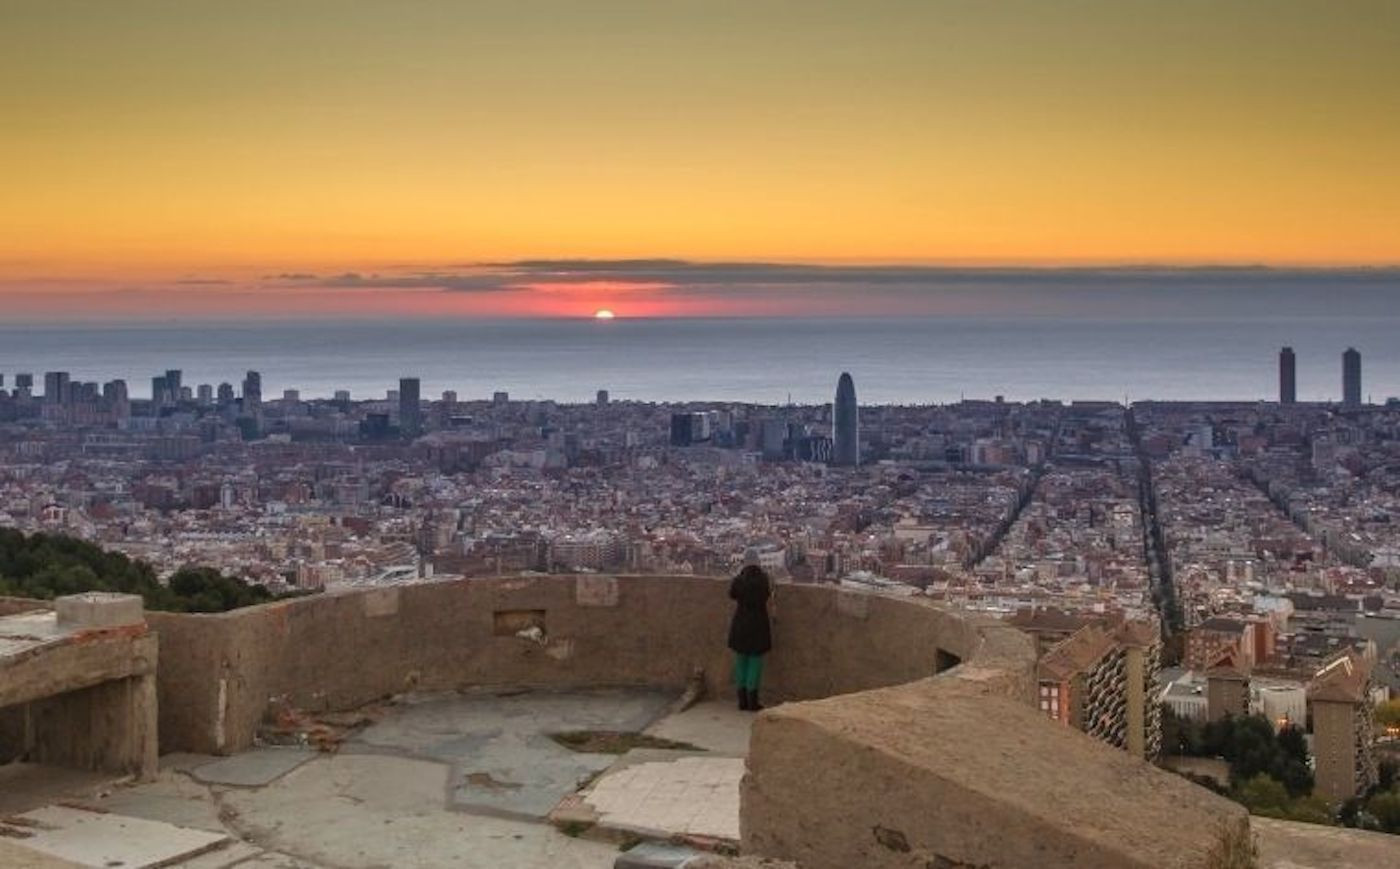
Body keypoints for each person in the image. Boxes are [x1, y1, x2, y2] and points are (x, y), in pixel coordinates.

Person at [727, 564, 773, 711]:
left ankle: (742, 701)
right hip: (758, 624)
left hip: (740, 623)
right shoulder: (762, 582)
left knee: (740, 662)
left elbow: (732, 594)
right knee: (755, 663)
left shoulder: (739, 582)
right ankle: (753, 702)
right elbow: (767, 595)